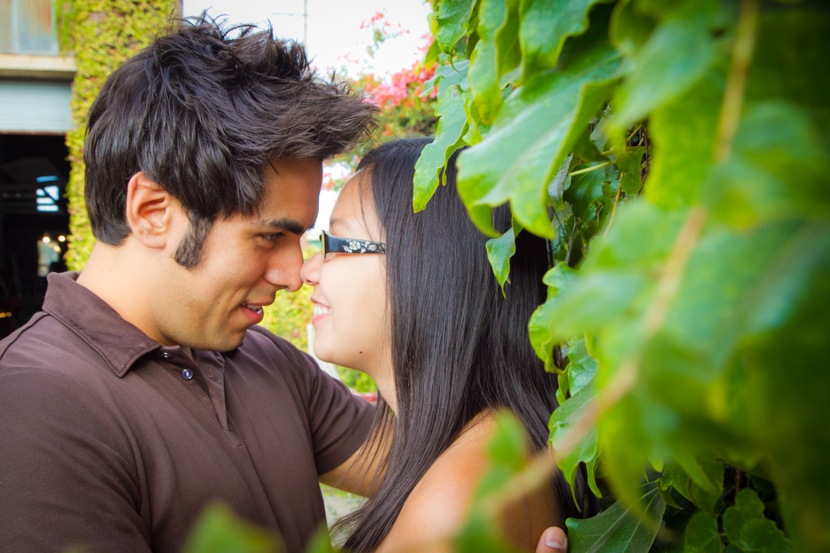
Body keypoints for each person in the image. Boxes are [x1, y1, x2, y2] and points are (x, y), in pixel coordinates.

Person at [0, 16, 571, 553]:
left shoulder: (263, 359)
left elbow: (439, 456)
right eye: (270, 237)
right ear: (152, 211)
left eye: (321, 240)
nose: (297, 273)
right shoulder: (35, 405)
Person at [300, 138, 587, 553]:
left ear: (429, 267)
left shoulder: (449, 509)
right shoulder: (498, 448)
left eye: (337, 244)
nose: (308, 270)